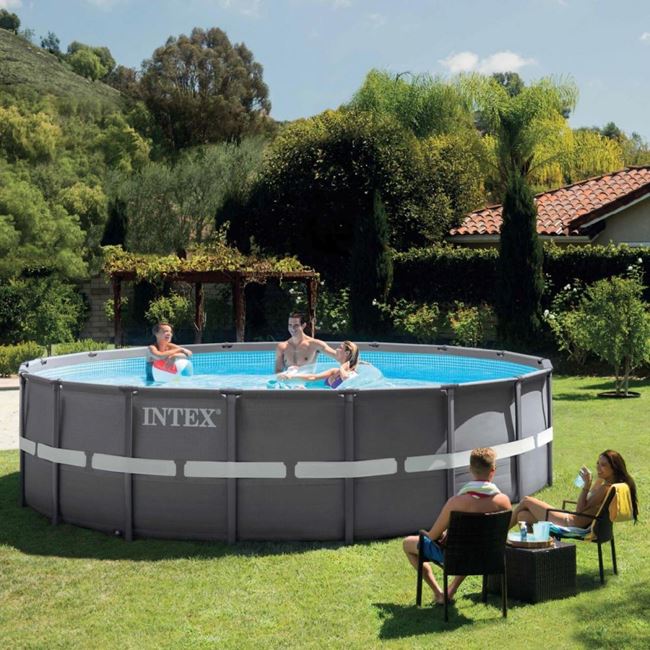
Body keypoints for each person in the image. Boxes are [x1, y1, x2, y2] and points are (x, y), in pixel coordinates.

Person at [402, 448, 512, 605]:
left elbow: (432, 537)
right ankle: (450, 591)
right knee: (474, 542)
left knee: (407, 543)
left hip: (455, 556)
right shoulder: (504, 502)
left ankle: (439, 593)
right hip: (488, 556)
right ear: (493, 470)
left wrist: (435, 534)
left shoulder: (456, 503)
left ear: (470, 469)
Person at [510, 449, 638, 528]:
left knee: (527, 500)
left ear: (614, 468)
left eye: (603, 465)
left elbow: (580, 510)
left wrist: (586, 486)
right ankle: (535, 552)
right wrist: (594, 482)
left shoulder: (606, 488)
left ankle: (500, 537)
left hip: (571, 523)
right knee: (523, 516)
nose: (598, 467)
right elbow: (587, 505)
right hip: (573, 520)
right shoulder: (607, 484)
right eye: (598, 463)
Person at [278, 340, 359, 388]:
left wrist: (342, 367)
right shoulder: (334, 371)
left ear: (347, 353)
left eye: (340, 348)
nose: (336, 349)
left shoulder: (352, 374)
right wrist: (292, 376)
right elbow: (313, 377)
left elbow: (346, 379)